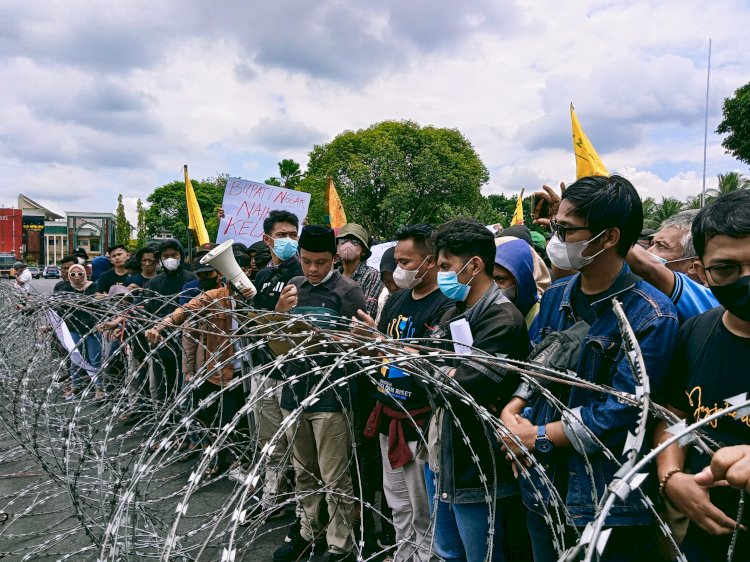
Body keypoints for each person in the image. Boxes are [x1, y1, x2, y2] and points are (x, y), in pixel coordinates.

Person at [501, 175, 679, 562]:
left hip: (602, 499)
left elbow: (625, 407)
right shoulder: (558, 297)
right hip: (542, 485)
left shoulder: (650, 315)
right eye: (554, 228)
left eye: (565, 229)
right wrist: (513, 411)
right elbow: (536, 366)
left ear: (608, 237)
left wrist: (538, 437)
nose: (555, 239)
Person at [423, 218, 530, 562]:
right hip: (443, 457)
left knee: (480, 556)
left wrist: (433, 369)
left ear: (474, 265)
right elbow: (433, 376)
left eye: (445, 266)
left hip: (477, 467)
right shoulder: (454, 313)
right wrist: (439, 370)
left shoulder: (503, 321)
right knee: (447, 552)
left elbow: (461, 391)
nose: (440, 274)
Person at [654, 190, 750, 561]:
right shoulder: (694, 332)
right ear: (700, 270)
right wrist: (671, 476)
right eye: (726, 269)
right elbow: (673, 415)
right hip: (704, 539)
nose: (746, 280)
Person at [357, 224, 452, 562]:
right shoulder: (396, 299)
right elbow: (383, 349)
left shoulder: (445, 304)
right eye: (397, 260)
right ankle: (403, 553)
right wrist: (369, 341)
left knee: (423, 507)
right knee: (397, 503)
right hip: (387, 411)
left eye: (407, 261)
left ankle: (426, 557)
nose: (399, 268)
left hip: (419, 421)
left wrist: (390, 346)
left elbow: (434, 358)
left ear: (430, 261)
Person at [272, 225, 365, 562]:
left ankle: (339, 544)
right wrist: (280, 313)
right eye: (307, 261)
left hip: (331, 398)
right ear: (298, 256)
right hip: (294, 394)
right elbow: (276, 347)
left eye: (321, 262)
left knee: (334, 476)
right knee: (303, 472)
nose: (313, 269)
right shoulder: (293, 289)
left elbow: (359, 350)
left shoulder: (348, 292)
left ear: (334, 258)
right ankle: (308, 531)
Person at [145, 264, 254, 476]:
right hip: (219, 372)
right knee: (217, 419)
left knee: (243, 422)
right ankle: (218, 458)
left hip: (249, 373)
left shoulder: (256, 300)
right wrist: (160, 326)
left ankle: (241, 460)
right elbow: (184, 312)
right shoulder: (213, 297)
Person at [246, 211, 303, 504]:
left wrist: (279, 313)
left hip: (291, 373)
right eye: (282, 235)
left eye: (293, 235)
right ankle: (272, 495)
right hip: (263, 368)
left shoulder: (303, 275)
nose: (289, 241)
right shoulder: (263, 276)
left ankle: (297, 500)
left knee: (296, 441)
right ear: (268, 239)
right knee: (269, 441)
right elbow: (256, 324)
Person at [627, 210, 719, 322]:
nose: (649, 251)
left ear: (693, 266)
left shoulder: (714, 304)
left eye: (661, 246)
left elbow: (646, 266)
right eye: (652, 244)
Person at [142, 239, 197, 402]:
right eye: (165, 256)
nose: (170, 259)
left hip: (186, 343)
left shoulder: (191, 280)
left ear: (181, 256)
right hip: (160, 342)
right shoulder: (154, 282)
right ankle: (164, 420)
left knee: (184, 390)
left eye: (174, 255)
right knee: (162, 387)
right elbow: (148, 313)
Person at [59, 264, 104, 399]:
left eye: (80, 273)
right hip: (73, 327)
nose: (77, 277)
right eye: (73, 274)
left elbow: (100, 306)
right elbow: (57, 309)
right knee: (75, 358)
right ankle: (75, 386)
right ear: (69, 276)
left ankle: (99, 389)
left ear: (85, 273)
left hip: (92, 327)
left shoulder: (93, 287)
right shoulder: (66, 289)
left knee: (94, 359)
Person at [337, 223, 383, 319]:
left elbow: (366, 312)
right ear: (337, 248)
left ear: (363, 251)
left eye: (354, 242)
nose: (347, 245)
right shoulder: (333, 274)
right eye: (343, 241)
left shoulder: (372, 275)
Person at [493, 237, 540, 328]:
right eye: (489, 280)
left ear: (522, 280)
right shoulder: (490, 315)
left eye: (500, 279)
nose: (493, 286)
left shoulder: (542, 318)